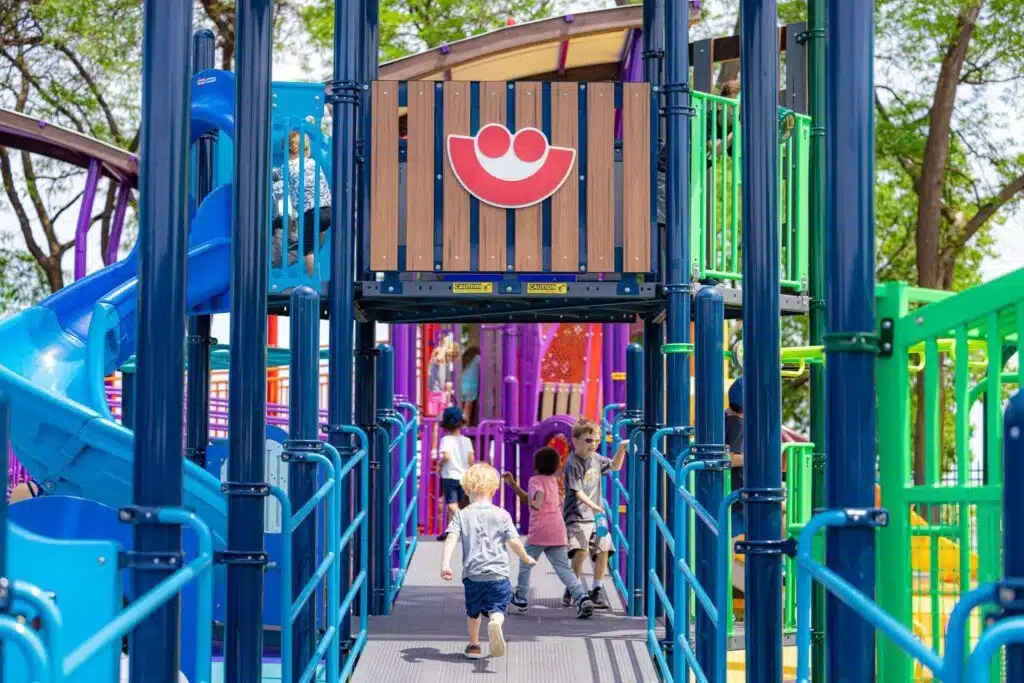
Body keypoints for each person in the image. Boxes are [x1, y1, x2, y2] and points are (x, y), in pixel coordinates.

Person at [440, 462, 536, 659]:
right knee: (498, 607)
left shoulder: (462, 514)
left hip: (473, 575)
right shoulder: (502, 514)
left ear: (466, 489)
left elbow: (450, 538)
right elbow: (514, 541)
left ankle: (474, 646)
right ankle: (496, 621)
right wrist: (525, 557)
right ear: (494, 489)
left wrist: (446, 564)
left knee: (473, 612)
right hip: (499, 575)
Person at [500, 447, 594, 618]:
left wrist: (536, 503)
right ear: (556, 466)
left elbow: (536, 500)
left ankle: (520, 597)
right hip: (557, 530)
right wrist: (513, 484)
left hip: (540, 532)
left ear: (536, 466)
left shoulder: (535, 480)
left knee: (526, 563)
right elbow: (527, 498)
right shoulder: (553, 480)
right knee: (563, 568)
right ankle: (581, 597)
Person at [562, 418, 628, 610]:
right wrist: (595, 505)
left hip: (595, 516)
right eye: (588, 440)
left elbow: (615, 466)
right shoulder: (573, 463)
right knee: (581, 551)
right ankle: (573, 588)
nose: (593, 444)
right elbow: (578, 492)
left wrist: (622, 448)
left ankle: (597, 589)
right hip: (577, 515)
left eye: (597, 440)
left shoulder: (597, 459)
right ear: (576, 441)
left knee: (604, 548)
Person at [271, 128, 332, 276]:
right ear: (307, 150)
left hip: (310, 213)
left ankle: (314, 277)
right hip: (328, 209)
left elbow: (276, 177)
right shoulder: (313, 163)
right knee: (319, 231)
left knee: (307, 249)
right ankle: (317, 253)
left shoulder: (286, 167)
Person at [436, 406, 474, 541]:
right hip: (464, 476)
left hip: (450, 475)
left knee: (452, 504)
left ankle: (463, 525)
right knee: (462, 504)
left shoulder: (446, 440)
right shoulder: (467, 440)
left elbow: (446, 456)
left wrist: (439, 466)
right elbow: (471, 460)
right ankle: (450, 532)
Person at [725, 377, 745, 538]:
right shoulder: (737, 424)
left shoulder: (724, 417)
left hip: (732, 494)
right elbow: (729, 458)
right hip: (736, 497)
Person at [460, 346, 481, 425]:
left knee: (461, 410)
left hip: (461, 386)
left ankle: (458, 427)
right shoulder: (477, 358)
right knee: (467, 410)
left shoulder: (464, 360)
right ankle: (465, 427)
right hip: (471, 387)